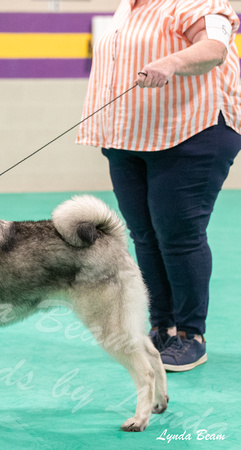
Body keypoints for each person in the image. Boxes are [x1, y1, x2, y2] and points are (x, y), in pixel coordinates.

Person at [77, 0, 241, 372]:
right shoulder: (128, 8)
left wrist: (171, 62)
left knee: (179, 235)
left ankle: (190, 336)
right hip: (130, 137)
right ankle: (162, 328)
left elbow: (215, 49)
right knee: (144, 236)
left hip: (192, 132)